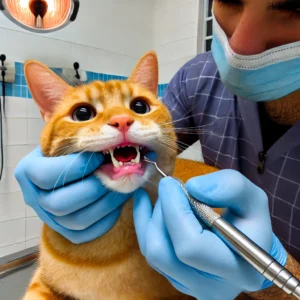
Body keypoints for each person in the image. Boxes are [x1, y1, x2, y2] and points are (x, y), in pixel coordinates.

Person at [15, 0, 300, 299]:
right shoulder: (197, 78)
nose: (241, 45)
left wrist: (276, 276)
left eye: (294, 9)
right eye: (229, 0)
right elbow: (154, 140)